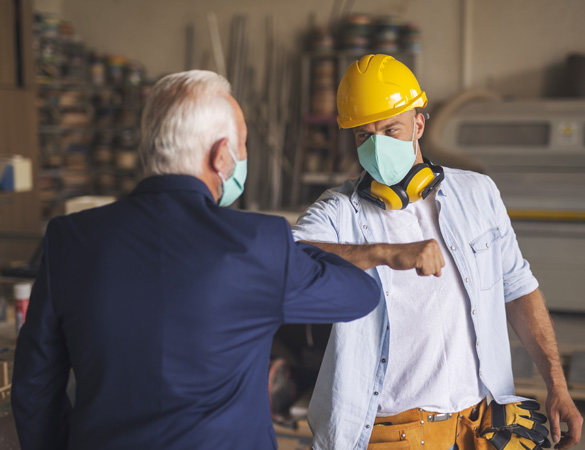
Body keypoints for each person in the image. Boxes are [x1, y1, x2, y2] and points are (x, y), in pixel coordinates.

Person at [10, 70, 398, 450]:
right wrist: (297, 251)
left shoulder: (69, 239)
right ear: (220, 156)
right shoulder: (258, 243)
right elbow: (360, 294)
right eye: (243, 146)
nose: (243, 157)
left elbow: (34, 386)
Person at [292, 54, 583, 450]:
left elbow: (516, 288)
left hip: (481, 427)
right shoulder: (339, 212)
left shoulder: (478, 194)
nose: (377, 148)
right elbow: (288, 260)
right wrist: (383, 253)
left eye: (391, 129)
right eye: (364, 136)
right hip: (391, 434)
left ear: (419, 123)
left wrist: (557, 384)